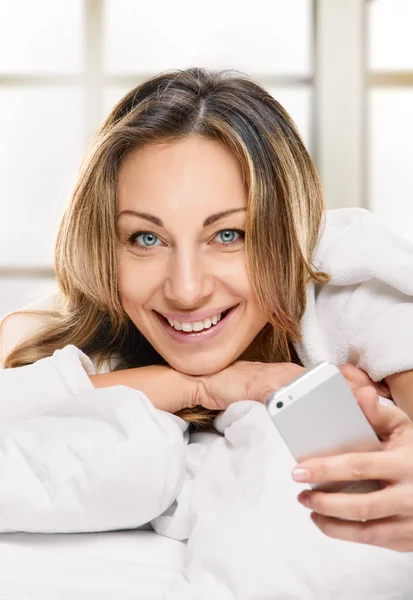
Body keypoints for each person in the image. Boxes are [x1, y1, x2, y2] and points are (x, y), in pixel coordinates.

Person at [1, 67, 413, 555]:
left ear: (287, 231)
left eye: (228, 235)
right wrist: (198, 386)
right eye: (146, 238)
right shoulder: (85, 322)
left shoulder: (349, 285)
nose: (187, 290)